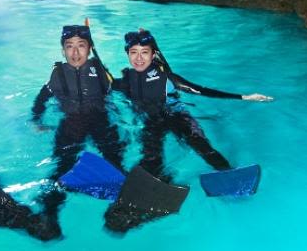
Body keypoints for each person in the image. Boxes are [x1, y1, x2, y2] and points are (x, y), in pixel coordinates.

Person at [112, 29, 272, 182]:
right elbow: (106, 87)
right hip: (152, 121)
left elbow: (201, 91)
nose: (138, 58)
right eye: (133, 52)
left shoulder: (168, 78)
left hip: (176, 115)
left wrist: (245, 97)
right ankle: (159, 182)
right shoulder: (125, 82)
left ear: (152, 55)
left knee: (200, 145)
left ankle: (228, 173)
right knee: (151, 156)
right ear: (128, 54)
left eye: (144, 52)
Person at [29, 24, 125, 240]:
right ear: (62, 50)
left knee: (115, 162)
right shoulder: (57, 76)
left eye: (81, 46)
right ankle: (49, 216)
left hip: (100, 120)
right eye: (69, 46)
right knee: (62, 168)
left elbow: (118, 92)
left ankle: (120, 210)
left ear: (90, 49)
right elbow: (41, 99)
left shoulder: (101, 72)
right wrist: (36, 120)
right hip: (72, 123)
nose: (75, 52)